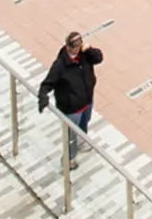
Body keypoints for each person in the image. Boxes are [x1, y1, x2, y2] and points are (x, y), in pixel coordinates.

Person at [36, 31, 104, 167]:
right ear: (68, 47)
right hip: (71, 108)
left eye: (79, 46)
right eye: (74, 47)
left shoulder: (85, 55)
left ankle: (82, 141)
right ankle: (68, 159)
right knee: (70, 135)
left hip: (87, 101)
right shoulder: (60, 65)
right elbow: (48, 83)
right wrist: (43, 96)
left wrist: (90, 50)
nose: (77, 49)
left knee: (84, 124)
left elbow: (98, 58)